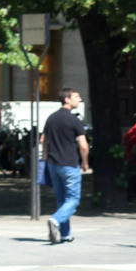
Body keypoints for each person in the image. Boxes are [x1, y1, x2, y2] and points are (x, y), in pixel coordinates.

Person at [41, 86, 90, 244]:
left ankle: (65, 234)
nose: (79, 99)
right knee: (73, 199)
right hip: (69, 163)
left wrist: (45, 156)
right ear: (67, 99)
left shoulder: (51, 118)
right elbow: (83, 145)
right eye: (76, 97)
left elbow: (43, 140)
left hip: (53, 164)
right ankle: (56, 220)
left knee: (62, 199)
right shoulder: (74, 120)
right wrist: (85, 162)